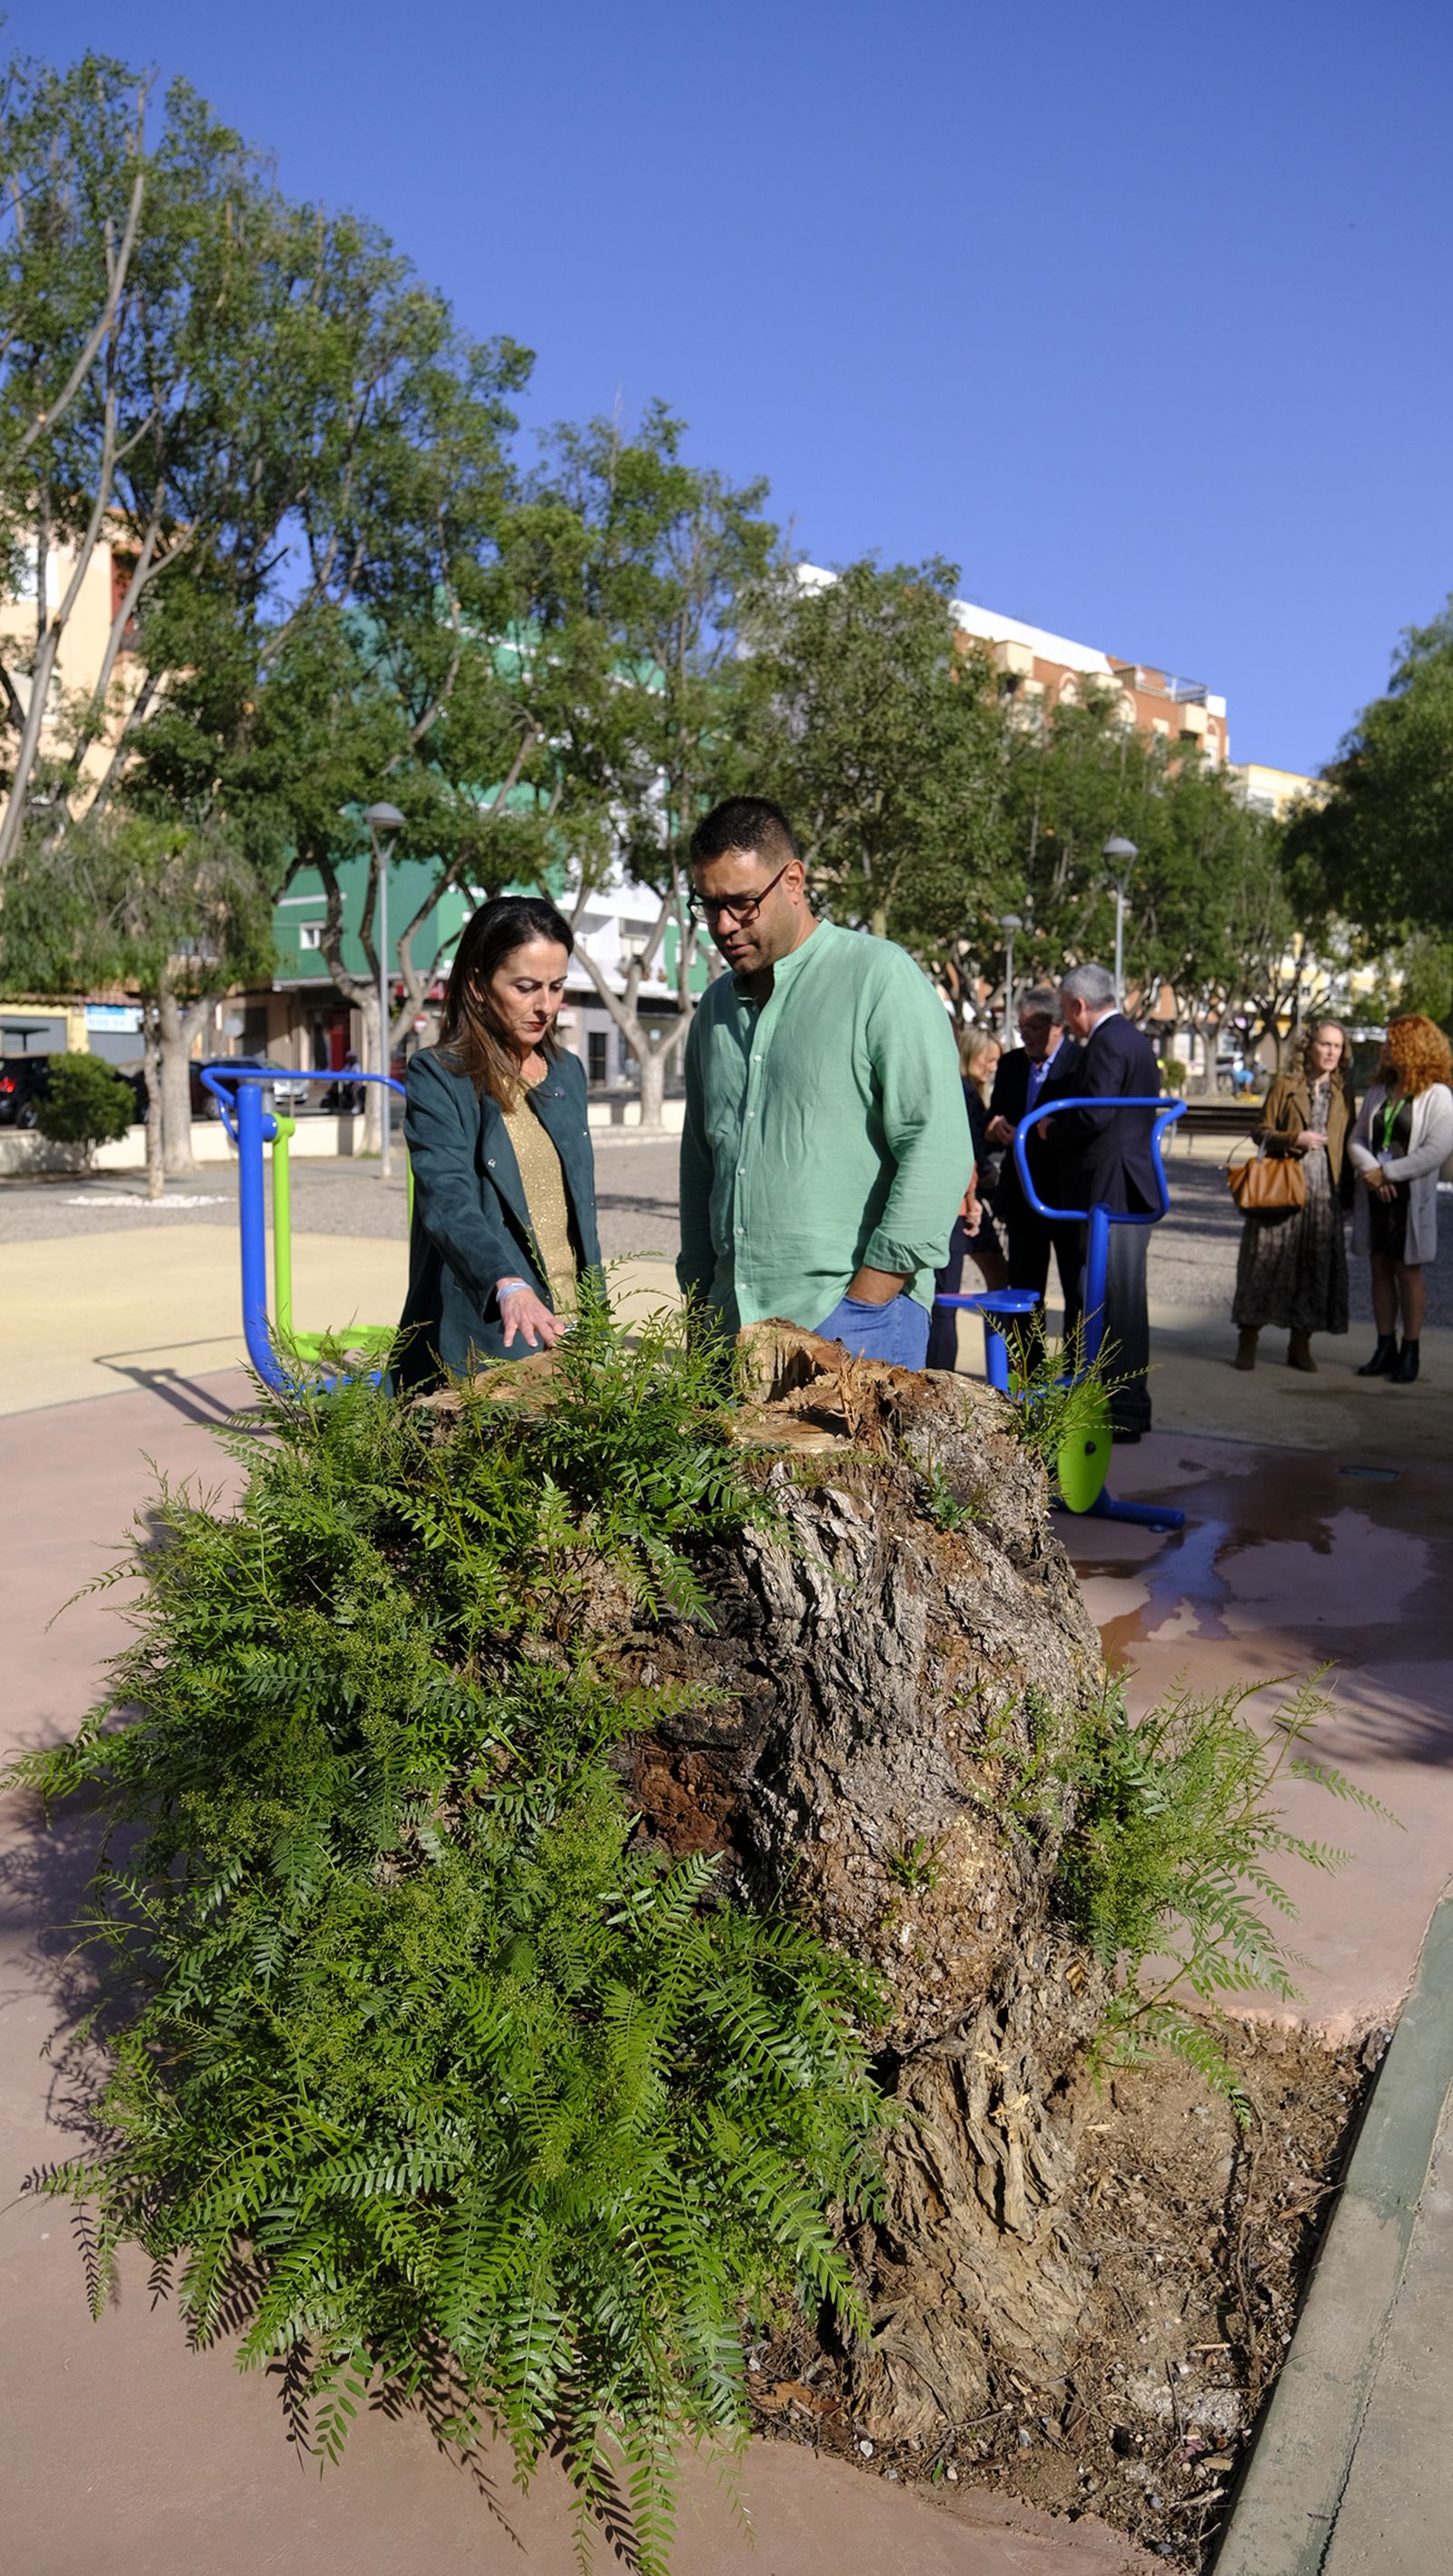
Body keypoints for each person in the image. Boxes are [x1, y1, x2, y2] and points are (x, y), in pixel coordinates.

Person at [677, 795, 971, 1368]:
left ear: (793, 882)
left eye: (740, 904)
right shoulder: (713, 1011)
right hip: (728, 1328)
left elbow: (937, 1147)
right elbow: (701, 1168)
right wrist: (699, 1305)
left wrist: (864, 1305)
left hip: (855, 1324)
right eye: (707, 906)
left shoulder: (879, 977)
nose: (722, 926)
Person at [396, 895, 601, 1387]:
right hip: (492, 1332)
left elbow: (577, 1216)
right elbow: (447, 1200)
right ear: (478, 985)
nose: (545, 1006)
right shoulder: (439, 1077)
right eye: (526, 987)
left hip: (573, 1327)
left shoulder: (566, 1072)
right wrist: (506, 1284)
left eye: (556, 987)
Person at [1051, 962, 1161, 1441]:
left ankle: (1124, 1407)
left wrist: (1051, 1128)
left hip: (1113, 1186)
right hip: (1128, 1182)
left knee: (1116, 1300)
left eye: (1064, 1011)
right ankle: (1128, 1404)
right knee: (1122, 1299)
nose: (1066, 1023)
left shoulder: (1107, 1042)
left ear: (1078, 1005)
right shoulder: (1134, 1038)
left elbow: (1095, 1112)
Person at [1231, 1021, 1355, 1373]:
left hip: (1323, 1192)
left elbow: (1347, 1144)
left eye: (1337, 1046)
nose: (1332, 1052)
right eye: (1325, 1044)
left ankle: (1301, 1343)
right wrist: (1293, 1138)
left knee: (1314, 1266)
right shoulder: (1286, 1085)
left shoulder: (1342, 1091)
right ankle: (1248, 1338)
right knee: (1264, 1262)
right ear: (1309, 1046)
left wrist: (1348, 1193)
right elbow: (1260, 1133)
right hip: (1283, 1184)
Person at [1347, 1012, 1453, 1386]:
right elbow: (1357, 1138)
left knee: (1408, 1272)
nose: (1385, 1048)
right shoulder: (1378, 1090)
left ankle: (1411, 1350)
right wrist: (1372, 1173)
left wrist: (1387, 1173)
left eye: (1393, 1042)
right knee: (1379, 1267)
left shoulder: (1437, 1095)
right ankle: (1384, 1347)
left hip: (1410, 1197)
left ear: (1414, 1046)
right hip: (1376, 1195)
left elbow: (1436, 1151)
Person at [983, 985, 1083, 1345]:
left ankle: (1075, 1375)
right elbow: (994, 1117)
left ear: (1058, 1026)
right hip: (1023, 1195)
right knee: (1024, 1288)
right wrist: (995, 1129)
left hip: (1066, 1194)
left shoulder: (1080, 1064)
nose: (1025, 1035)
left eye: (1034, 1027)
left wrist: (1040, 1135)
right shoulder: (1011, 1064)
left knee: (1078, 1290)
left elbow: (1083, 1125)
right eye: (1021, 1027)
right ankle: (1027, 1373)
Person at [924, 1031, 1010, 1371]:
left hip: (966, 1198)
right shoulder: (961, 1090)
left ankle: (1002, 1365)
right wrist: (976, 1195)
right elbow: (966, 1154)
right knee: (947, 1299)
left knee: (994, 1279)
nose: (992, 1067)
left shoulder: (969, 1091)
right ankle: (943, 1377)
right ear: (969, 1054)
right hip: (960, 1201)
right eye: (987, 1059)